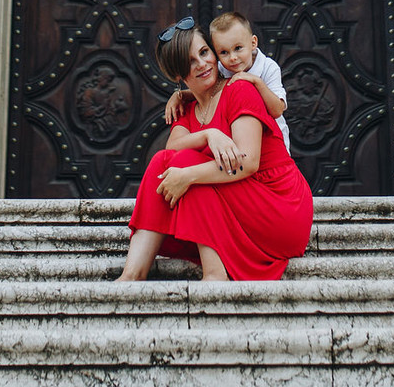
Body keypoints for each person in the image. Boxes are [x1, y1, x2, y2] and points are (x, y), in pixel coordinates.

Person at [118, 17, 313, 282]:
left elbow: (248, 162)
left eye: (204, 52)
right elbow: (171, 148)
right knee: (164, 160)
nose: (203, 64)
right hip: (241, 207)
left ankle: (214, 275)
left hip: (279, 204)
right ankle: (131, 274)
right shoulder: (186, 109)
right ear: (178, 75)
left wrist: (188, 175)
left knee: (186, 164)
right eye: (190, 62)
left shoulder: (240, 88)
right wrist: (210, 134)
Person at [164, 10, 290, 152]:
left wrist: (257, 82)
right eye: (223, 52)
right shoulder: (221, 68)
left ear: (253, 42)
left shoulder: (268, 67)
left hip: (273, 140)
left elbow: (277, 110)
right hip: (242, 140)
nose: (232, 58)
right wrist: (180, 95)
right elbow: (214, 92)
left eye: (238, 48)